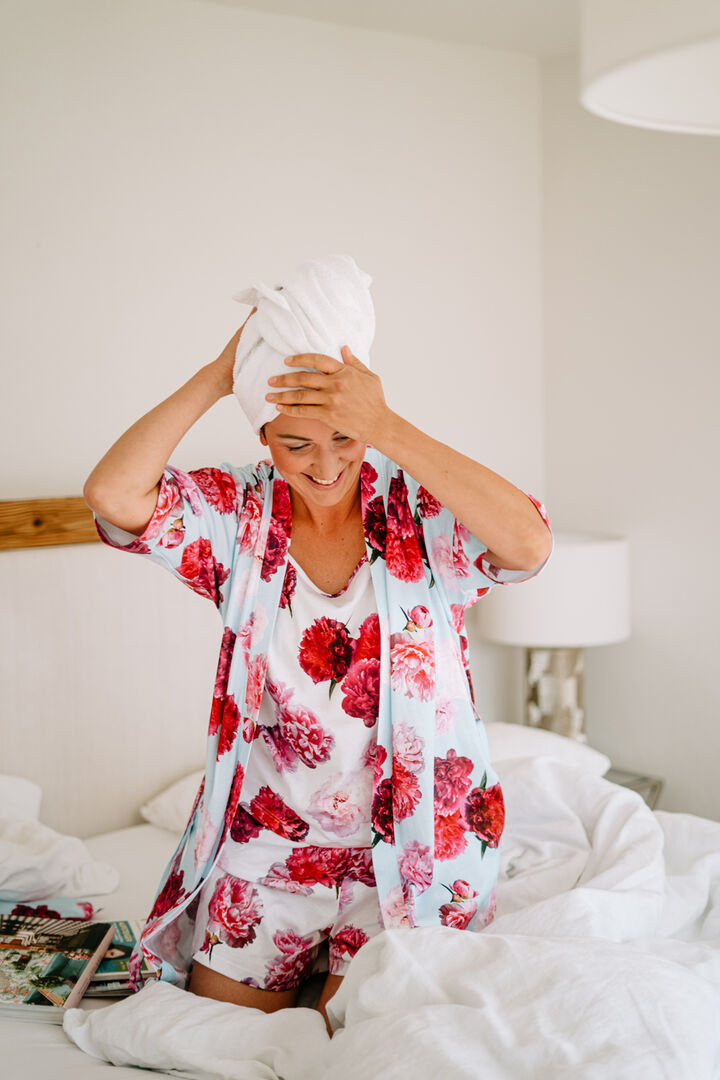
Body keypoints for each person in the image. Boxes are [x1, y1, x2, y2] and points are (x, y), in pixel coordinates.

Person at [83, 259, 553, 1034]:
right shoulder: (237, 516)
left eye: (345, 438)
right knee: (221, 1031)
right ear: (263, 434)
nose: (327, 465)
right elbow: (114, 496)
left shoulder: (416, 511)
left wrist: (387, 425)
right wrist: (216, 375)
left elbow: (529, 544)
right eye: (296, 443)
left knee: (358, 1038)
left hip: (412, 846)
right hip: (271, 847)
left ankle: (338, 977)